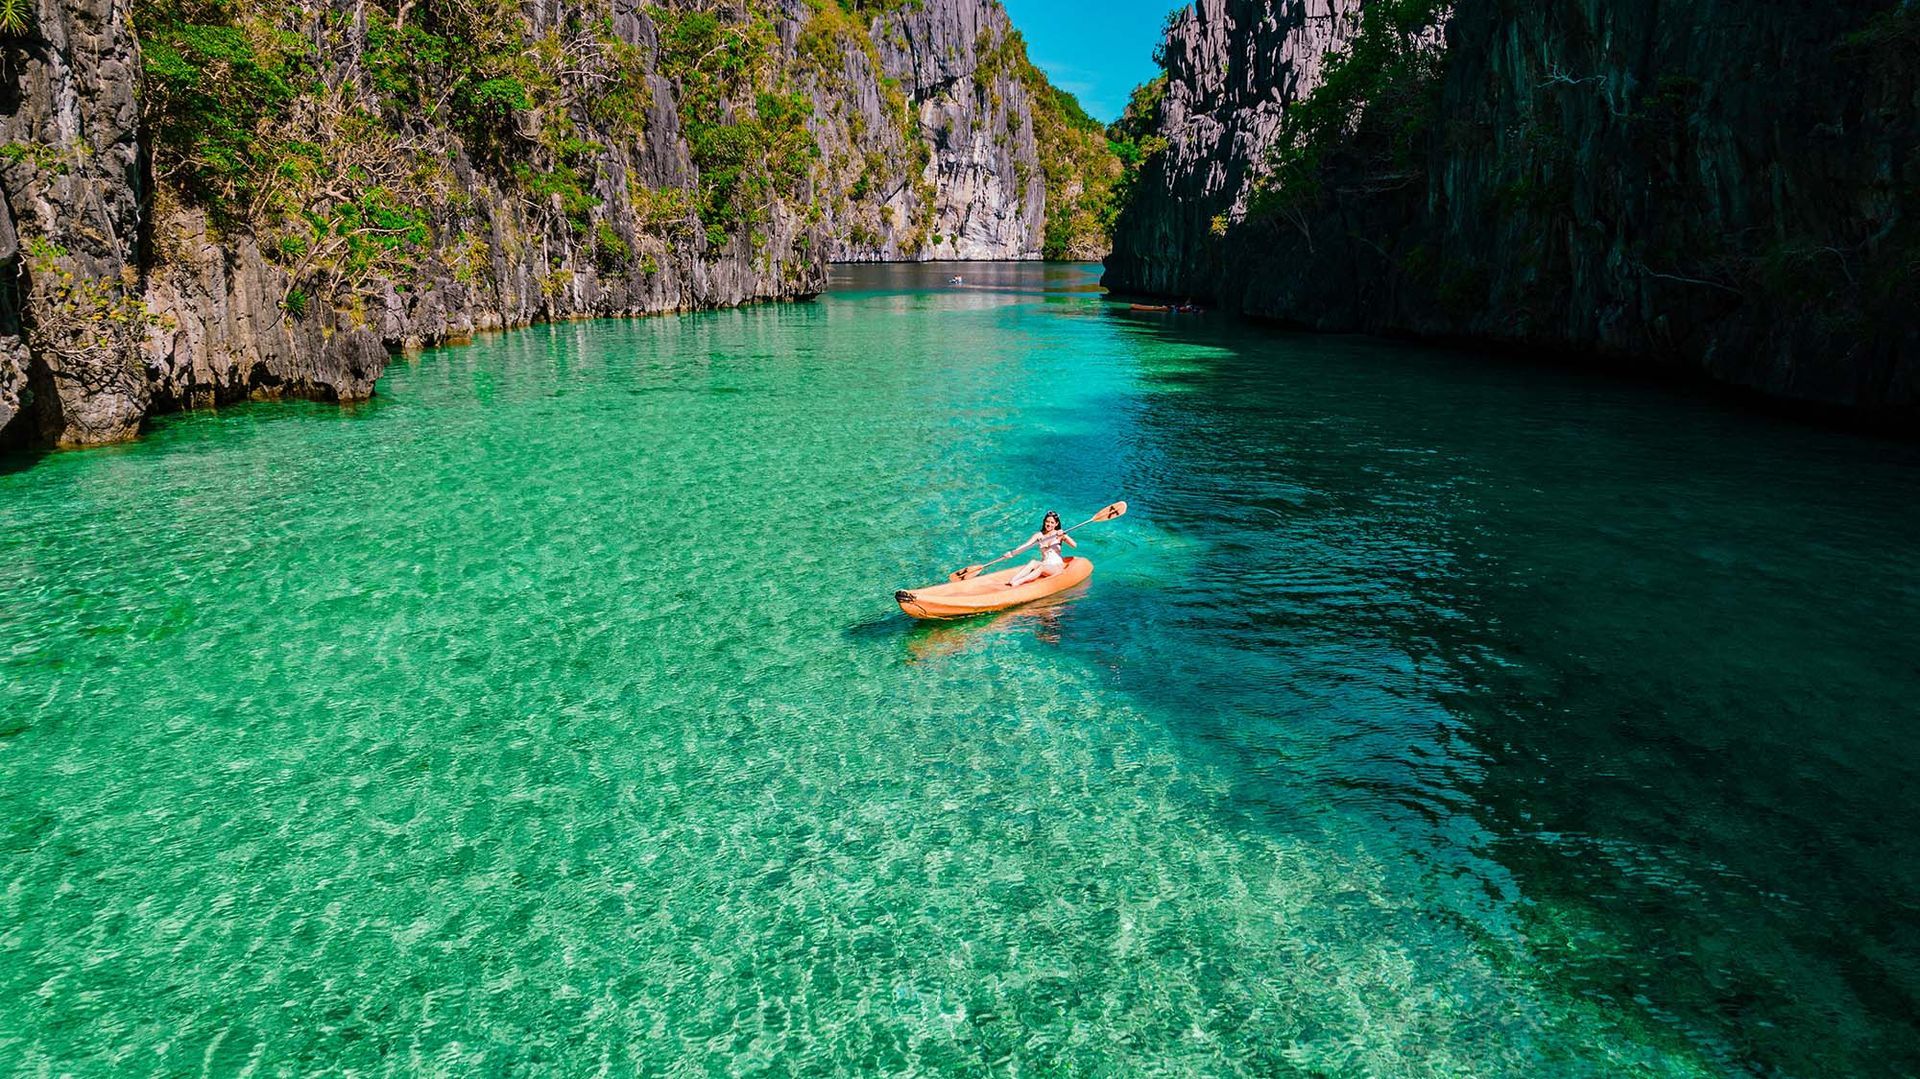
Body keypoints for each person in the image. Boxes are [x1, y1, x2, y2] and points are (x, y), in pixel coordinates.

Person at [1004, 510, 1076, 587]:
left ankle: (1020, 582)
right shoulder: (1039, 535)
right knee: (1033, 562)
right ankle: (1013, 580)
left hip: (1056, 566)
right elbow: (1026, 545)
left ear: (1056, 524)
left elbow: (1074, 545)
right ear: (1044, 522)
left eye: (1052, 523)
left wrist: (1065, 535)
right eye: (1047, 522)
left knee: (1042, 567)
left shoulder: (1059, 534)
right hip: (1045, 563)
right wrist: (1012, 553)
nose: (1049, 524)